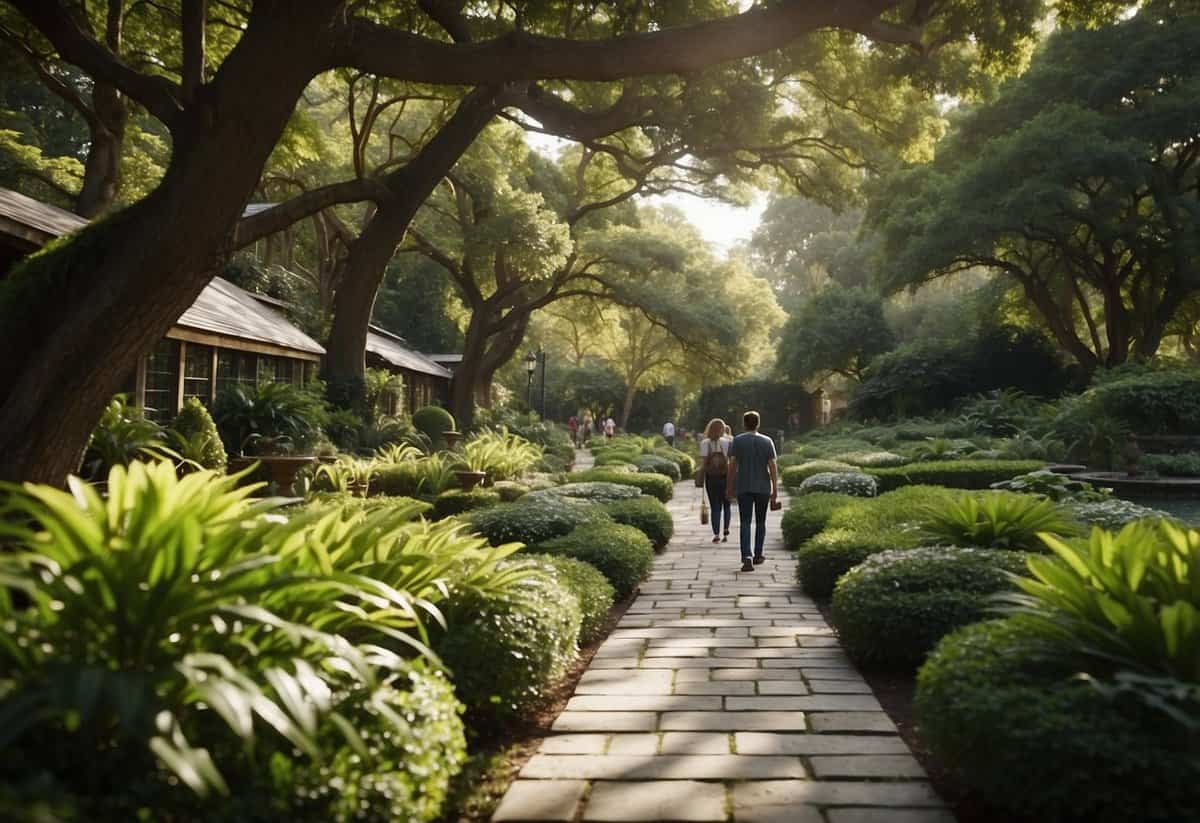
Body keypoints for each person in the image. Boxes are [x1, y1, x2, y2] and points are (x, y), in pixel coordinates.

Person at [725, 410, 779, 572]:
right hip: (763, 487)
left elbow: (733, 466)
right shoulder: (767, 441)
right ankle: (758, 554)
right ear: (758, 423)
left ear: (744, 423)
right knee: (761, 521)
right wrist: (775, 488)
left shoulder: (738, 441)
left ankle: (746, 557)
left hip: (744, 486)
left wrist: (729, 486)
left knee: (745, 522)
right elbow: (773, 466)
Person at [700, 418, 732, 544]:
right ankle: (726, 530)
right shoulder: (728, 441)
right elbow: (732, 460)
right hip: (726, 476)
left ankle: (716, 534)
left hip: (711, 477)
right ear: (723, 429)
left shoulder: (705, 443)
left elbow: (704, 463)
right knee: (727, 505)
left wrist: (701, 475)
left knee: (715, 506)